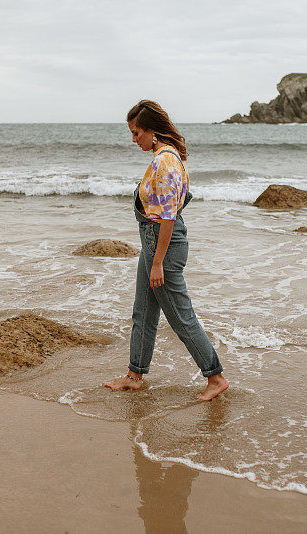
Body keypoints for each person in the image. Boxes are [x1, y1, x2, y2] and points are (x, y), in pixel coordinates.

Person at [103, 100, 229, 401]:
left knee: (180, 316)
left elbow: (168, 218)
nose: (134, 140)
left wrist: (157, 261)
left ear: (153, 132)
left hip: (164, 247)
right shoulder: (165, 157)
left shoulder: (165, 162)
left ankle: (216, 377)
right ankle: (135, 375)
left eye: (136, 133)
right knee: (143, 312)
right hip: (155, 244)